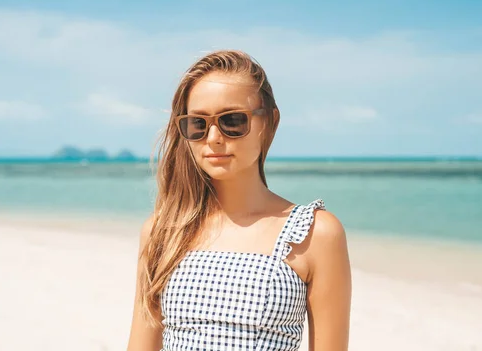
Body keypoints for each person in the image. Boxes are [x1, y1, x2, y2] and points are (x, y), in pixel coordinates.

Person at [127, 50, 351, 351]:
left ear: (269, 123)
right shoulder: (164, 232)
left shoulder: (314, 234)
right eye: (198, 123)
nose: (214, 137)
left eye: (232, 121)